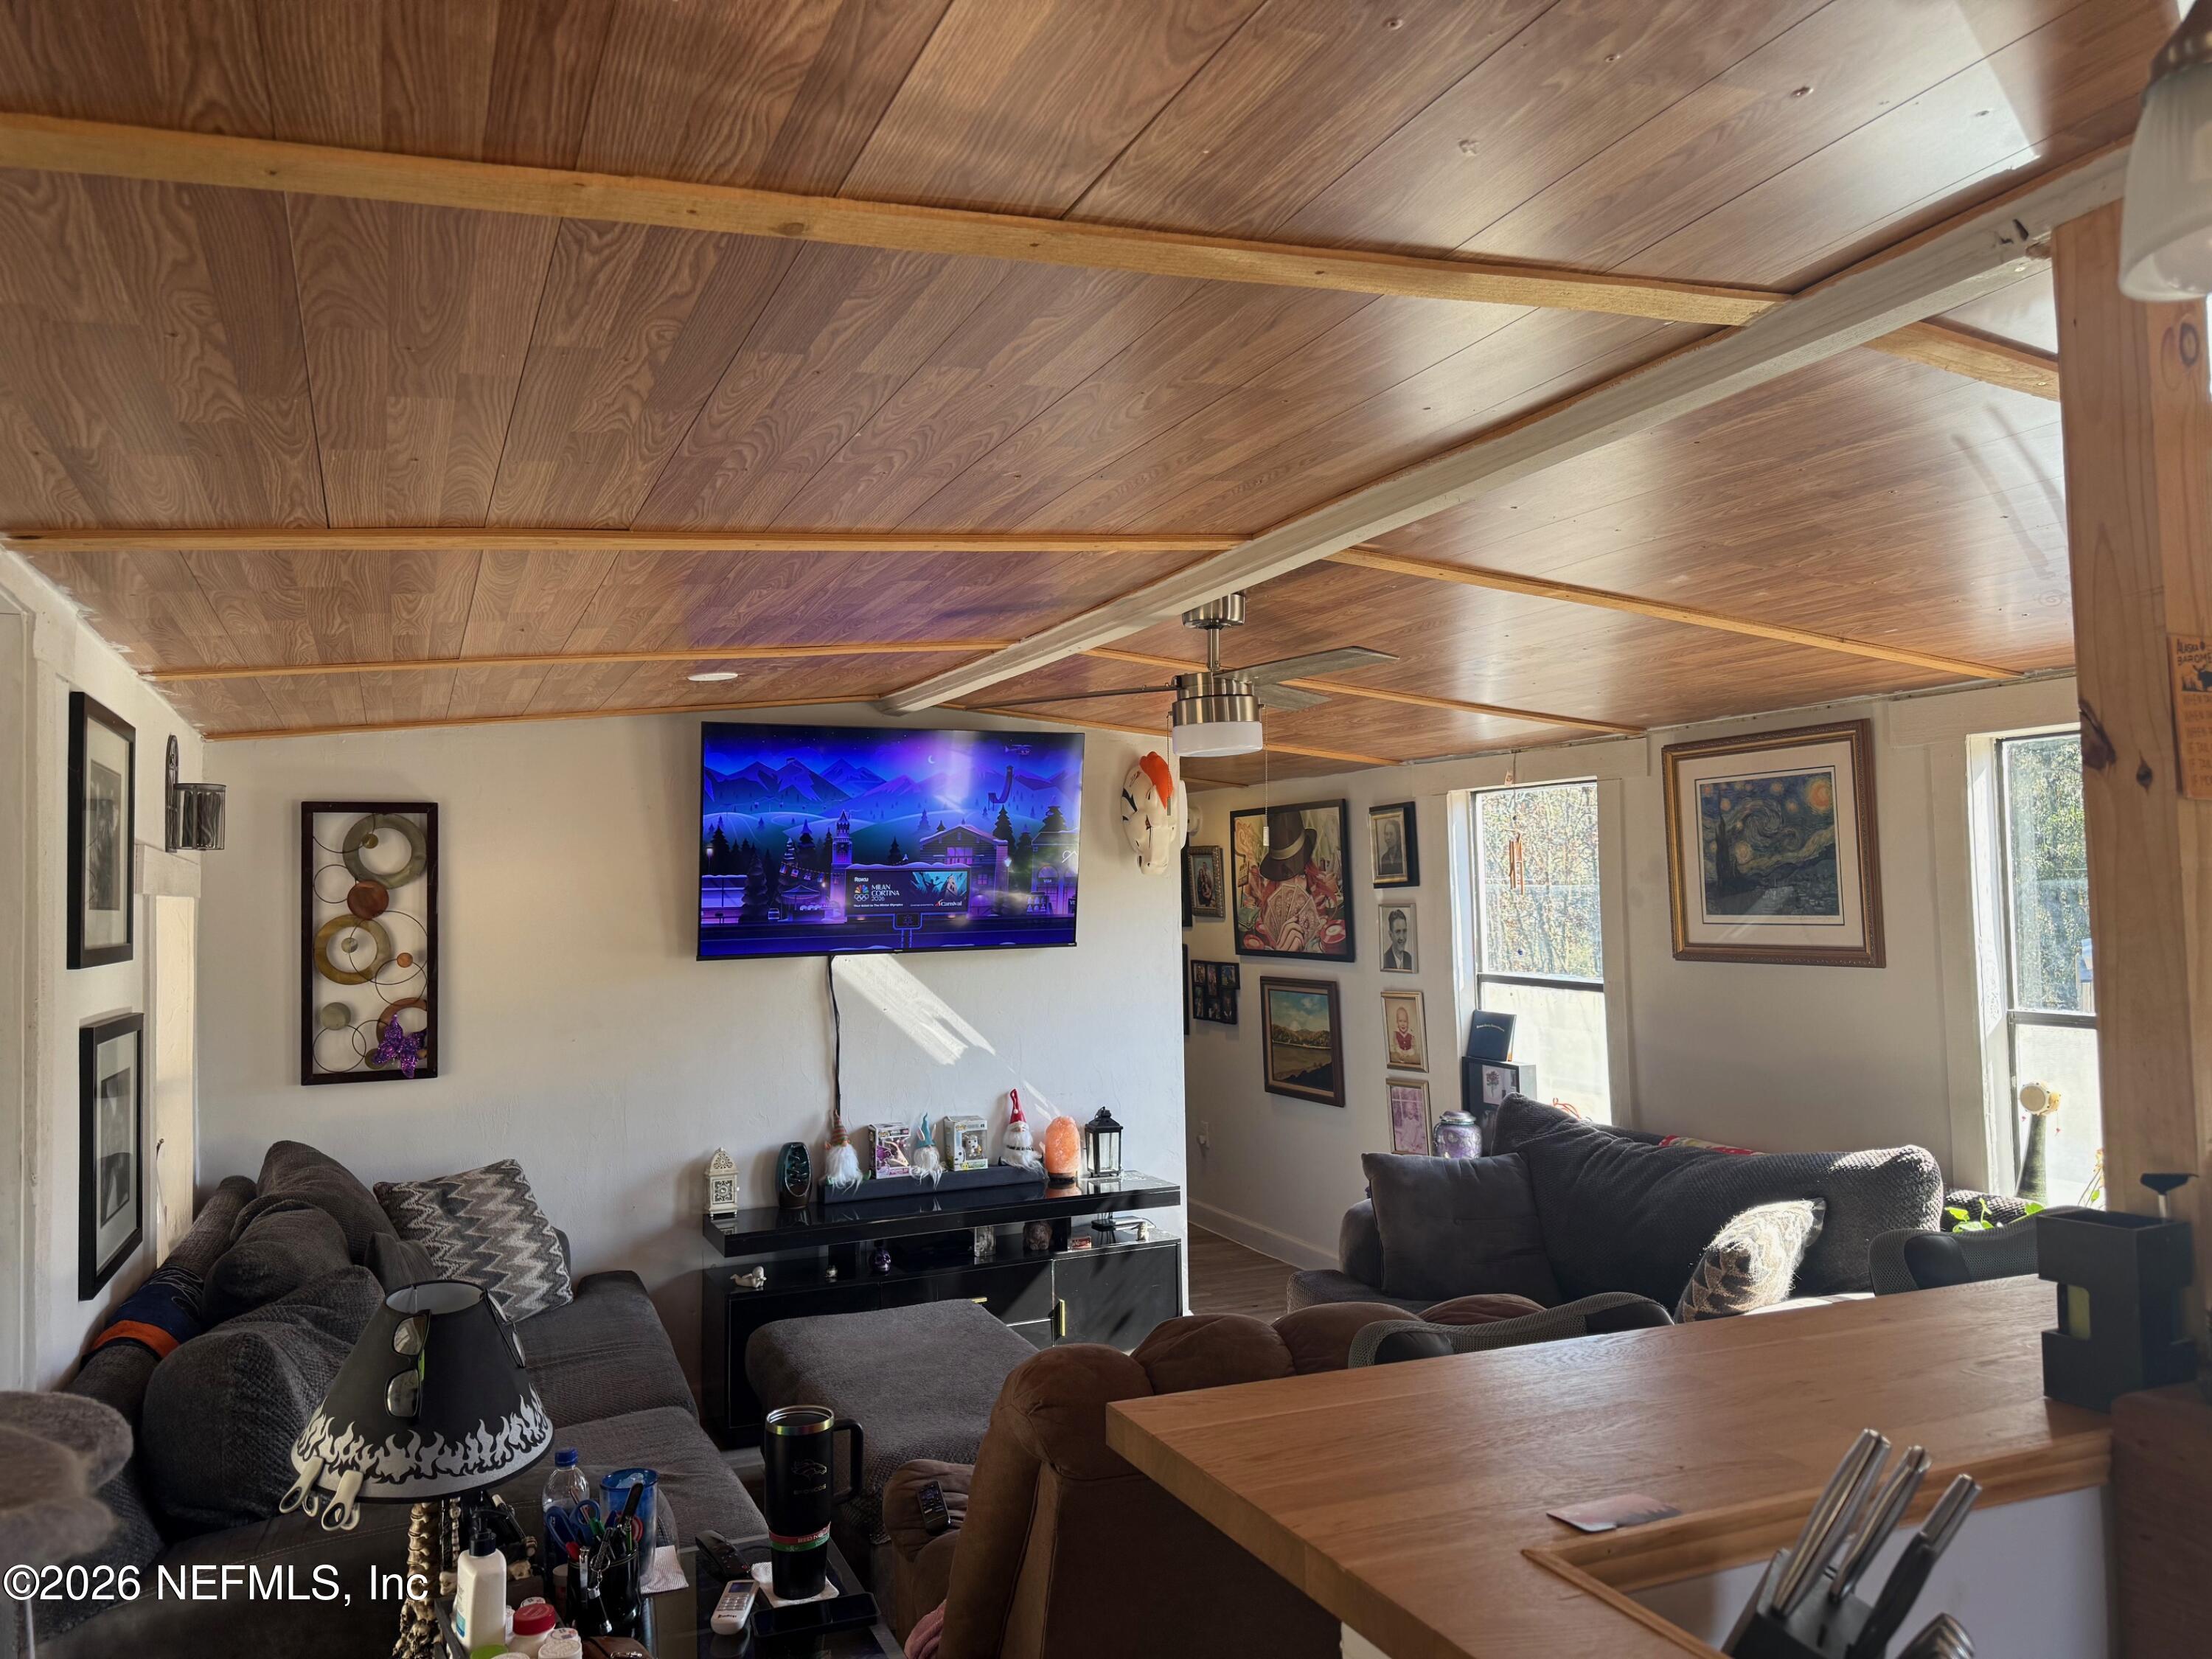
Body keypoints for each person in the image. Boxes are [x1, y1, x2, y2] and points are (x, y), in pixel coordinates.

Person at [1382, 908, 1413, 972]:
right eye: (1398, 932)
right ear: (1391, 935)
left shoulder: (1410, 959)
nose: (1402, 937)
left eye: (1404, 931)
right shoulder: (1384, 960)